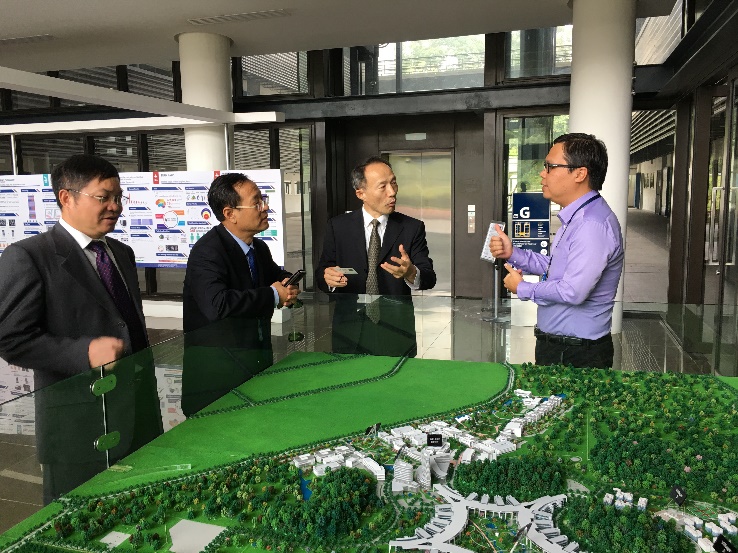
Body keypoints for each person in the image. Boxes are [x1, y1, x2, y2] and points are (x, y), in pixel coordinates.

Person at [0, 154, 161, 502]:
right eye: (104, 197)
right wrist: (83, 352)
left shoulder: (121, 252)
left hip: (139, 411)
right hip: (78, 425)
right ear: (66, 197)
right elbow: (11, 339)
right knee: (78, 519)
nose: (115, 206)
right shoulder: (30, 256)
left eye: (118, 197)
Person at [489, 133, 624, 369]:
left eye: (550, 167)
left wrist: (522, 288)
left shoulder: (591, 225)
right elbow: (555, 267)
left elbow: (573, 291)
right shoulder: (577, 217)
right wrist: (512, 253)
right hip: (564, 347)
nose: (543, 174)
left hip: (576, 353)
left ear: (579, 174)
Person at [181, 173, 300, 415]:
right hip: (218, 374)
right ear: (230, 213)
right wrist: (273, 295)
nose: (265, 208)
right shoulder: (208, 251)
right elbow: (217, 305)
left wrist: (288, 282)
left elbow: (274, 275)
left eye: (263, 200)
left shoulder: (258, 247)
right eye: (256, 203)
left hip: (254, 360)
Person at [315, 156, 436, 356]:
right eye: (383, 186)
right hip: (349, 331)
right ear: (361, 193)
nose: (392, 192)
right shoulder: (338, 226)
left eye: (393, 183)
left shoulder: (412, 228)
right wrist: (328, 278)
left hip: (396, 331)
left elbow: (429, 278)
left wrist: (411, 273)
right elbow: (322, 272)